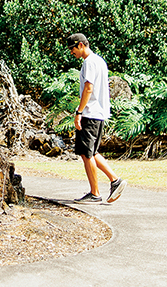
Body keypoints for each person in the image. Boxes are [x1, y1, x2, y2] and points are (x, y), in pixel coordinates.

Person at [67, 33, 126, 204]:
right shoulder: (99, 61)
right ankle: (115, 180)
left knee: (86, 154)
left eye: (72, 49)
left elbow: (88, 88)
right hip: (98, 114)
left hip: (90, 113)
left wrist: (79, 112)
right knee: (92, 152)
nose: (71, 53)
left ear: (80, 45)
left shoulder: (89, 62)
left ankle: (95, 193)